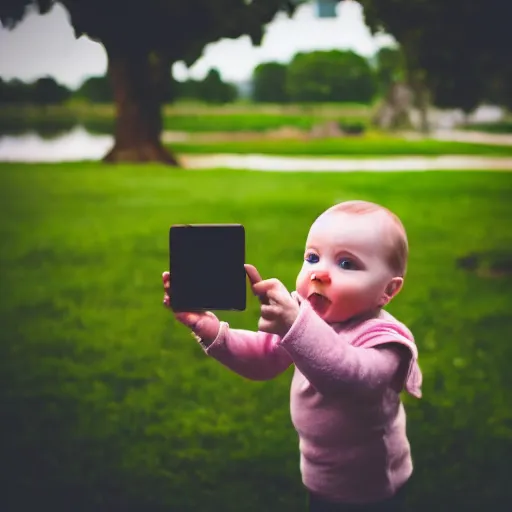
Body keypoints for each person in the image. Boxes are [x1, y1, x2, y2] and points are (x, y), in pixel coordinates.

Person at [162, 200, 422, 512]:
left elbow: (348, 377)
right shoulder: (307, 320)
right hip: (321, 477)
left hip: (371, 488)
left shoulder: (385, 341)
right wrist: (208, 327)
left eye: (347, 264)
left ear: (388, 291)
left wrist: (295, 324)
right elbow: (262, 357)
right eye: (312, 257)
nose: (319, 274)